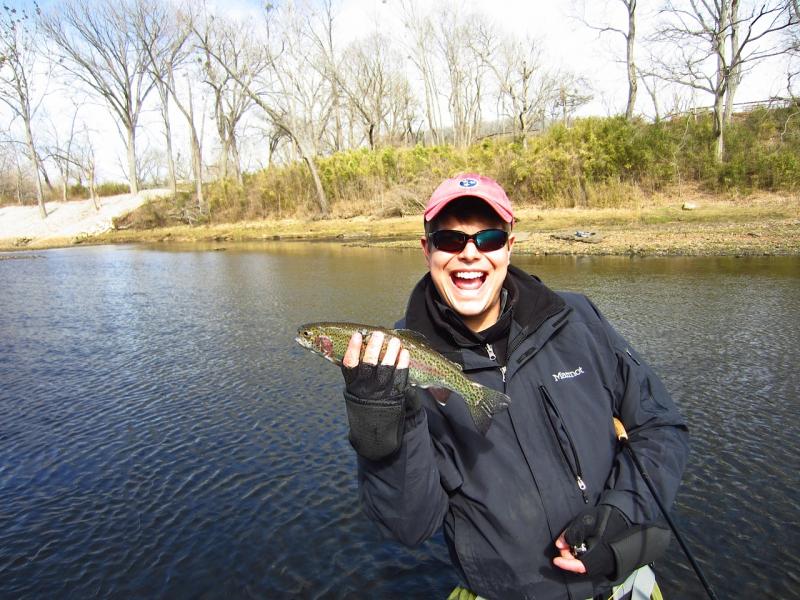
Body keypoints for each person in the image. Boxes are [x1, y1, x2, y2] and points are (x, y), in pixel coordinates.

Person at [340, 173, 688, 600]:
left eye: (487, 238)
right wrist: (380, 433)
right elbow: (409, 527)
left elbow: (661, 426)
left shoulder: (577, 319)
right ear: (426, 249)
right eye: (450, 239)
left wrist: (622, 511)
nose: (470, 254)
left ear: (509, 246)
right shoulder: (398, 365)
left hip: (626, 586)